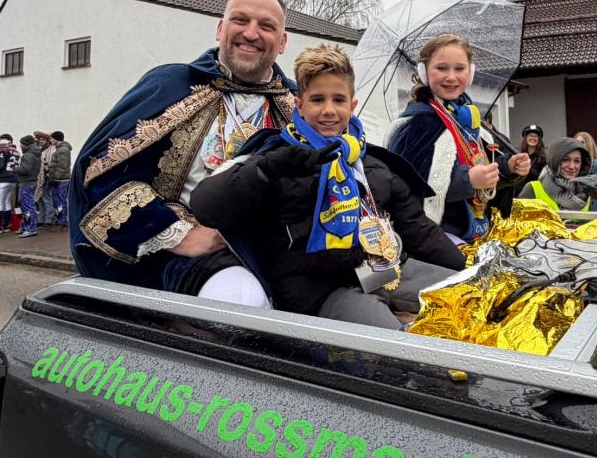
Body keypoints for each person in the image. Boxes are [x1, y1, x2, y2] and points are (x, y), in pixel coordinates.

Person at [191, 44, 466, 328]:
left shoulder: (371, 162)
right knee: (396, 346)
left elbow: (417, 228)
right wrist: (266, 169)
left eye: (338, 100)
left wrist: (465, 267)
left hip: (384, 267)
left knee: (472, 295)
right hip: (321, 290)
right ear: (299, 104)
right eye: (318, 99)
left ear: (352, 105)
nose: (329, 111)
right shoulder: (279, 156)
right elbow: (207, 206)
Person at [69, 0, 297, 306]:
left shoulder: (302, 105)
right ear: (220, 29)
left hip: (280, 255)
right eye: (240, 20)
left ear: (283, 41)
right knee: (241, 297)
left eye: (267, 26)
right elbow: (103, 170)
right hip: (185, 262)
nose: (251, 33)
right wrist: (178, 233)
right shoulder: (170, 83)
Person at [386, 33, 532, 245]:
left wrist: (507, 166)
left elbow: (483, 165)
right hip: (439, 236)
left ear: (470, 73)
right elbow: (409, 189)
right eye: (442, 68)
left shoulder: (467, 119)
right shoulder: (417, 125)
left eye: (459, 68)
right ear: (424, 72)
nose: (451, 77)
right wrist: (469, 180)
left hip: (479, 228)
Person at [518, 137, 593, 211]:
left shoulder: (586, 195)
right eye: (565, 160)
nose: (572, 166)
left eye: (577, 161)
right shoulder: (533, 189)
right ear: (554, 161)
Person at [0, 134, 20, 234]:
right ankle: (6, 225)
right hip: (13, 179)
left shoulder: (2, 151)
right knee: (7, 202)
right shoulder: (16, 151)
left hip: (3, 179)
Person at [16, 134, 42, 238]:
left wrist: (14, 169)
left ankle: (30, 228)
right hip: (31, 182)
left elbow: (25, 170)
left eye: (21, 144)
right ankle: (26, 226)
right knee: (29, 205)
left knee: (27, 206)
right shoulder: (35, 154)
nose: (20, 146)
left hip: (26, 183)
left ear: (26, 144)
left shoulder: (27, 155)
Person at [47, 131, 71, 228]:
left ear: (57, 139)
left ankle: (63, 221)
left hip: (62, 180)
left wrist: (55, 178)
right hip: (58, 179)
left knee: (61, 201)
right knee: (57, 201)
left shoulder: (63, 150)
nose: (50, 140)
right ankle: (60, 220)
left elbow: (62, 166)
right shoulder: (59, 149)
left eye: (52, 138)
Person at [33, 131, 55, 226]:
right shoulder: (41, 150)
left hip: (47, 177)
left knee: (46, 198)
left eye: (43, 139)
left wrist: (49, 176)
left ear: (47, 141)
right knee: (40, 200)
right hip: (40, 177)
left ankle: (48, 219)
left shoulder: (51, 150)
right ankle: (41, 219)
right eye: (40, 139)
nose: (41, 141)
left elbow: (50, 165)